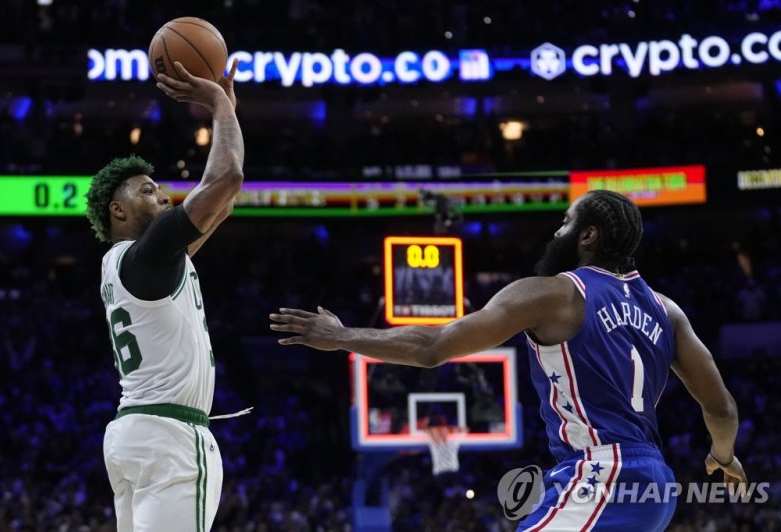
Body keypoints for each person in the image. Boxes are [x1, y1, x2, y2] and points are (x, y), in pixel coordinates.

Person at [270, 190, 747, 531]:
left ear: (588, 235)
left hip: (603, 473)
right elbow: (722, 409)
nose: (556, 232)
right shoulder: (667, 311)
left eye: (565, 223)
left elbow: (433, 347)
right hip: (655, 485)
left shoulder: (556, 294)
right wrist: (723, 457)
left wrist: (342, 337)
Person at [85, 60, 244, 531]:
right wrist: (216, 102)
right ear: (118, 210)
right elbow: (227, 178)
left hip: (133, 434)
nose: (164, 197)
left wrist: (227, 114)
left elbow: (222, 204)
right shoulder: (148, 255)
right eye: (148, 190)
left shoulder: (130, 263)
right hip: (170, 437)